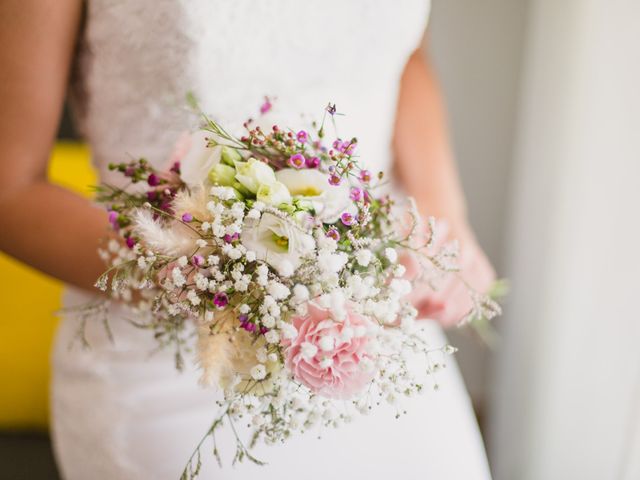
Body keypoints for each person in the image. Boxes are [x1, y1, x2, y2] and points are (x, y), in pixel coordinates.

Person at [0, 1, 496, 478]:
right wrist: (232, 283)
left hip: (369, 320)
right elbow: (11, 192)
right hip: (168, 360)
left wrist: (442, 213)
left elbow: (407, 56)